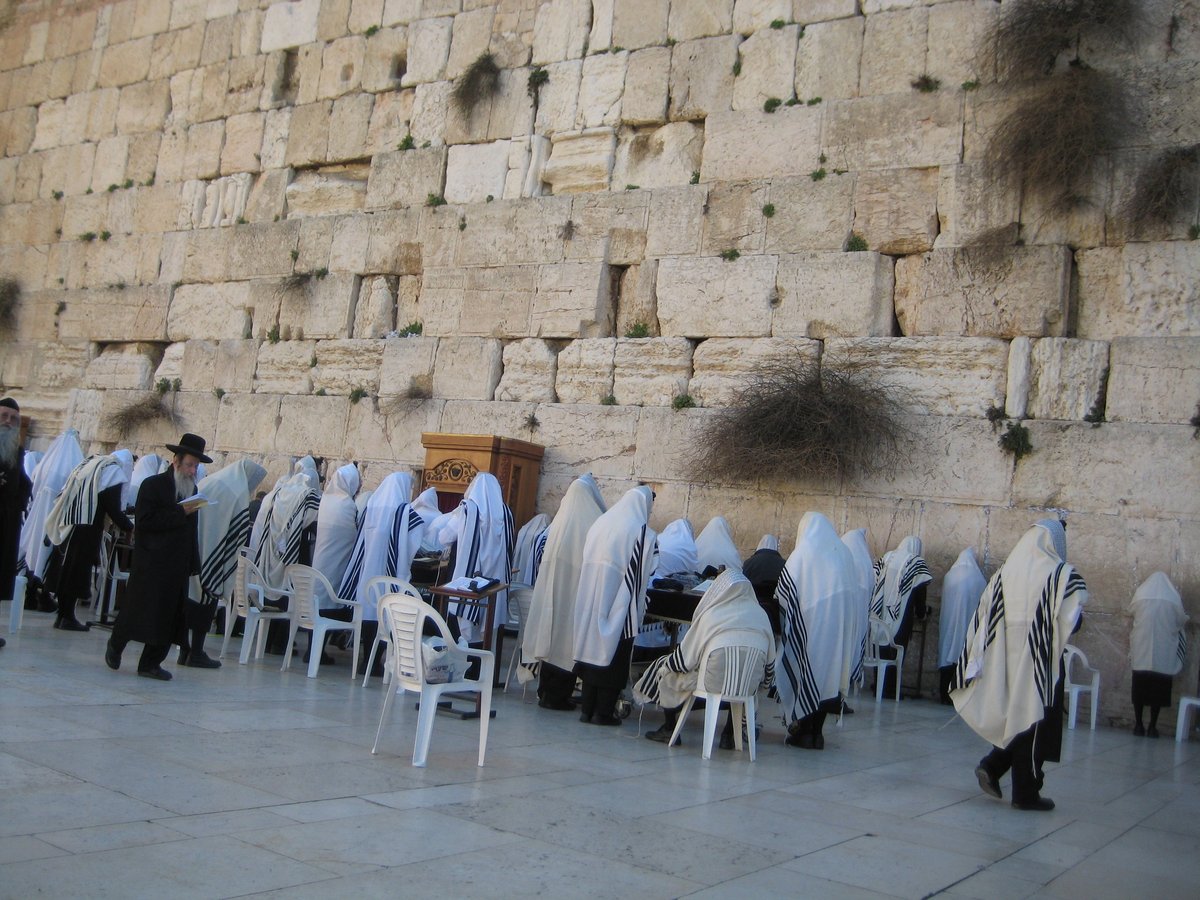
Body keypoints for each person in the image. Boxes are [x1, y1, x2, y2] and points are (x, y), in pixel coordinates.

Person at [952, 519, 1087, 811]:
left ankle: (994, 765)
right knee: (1036, 720)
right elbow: (1073, 619)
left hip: (1005, 662)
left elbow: (984, 616)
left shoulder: (1004, 573)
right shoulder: (1060, 574)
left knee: (1018, 716)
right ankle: (1025, 792)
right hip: (1041, 661)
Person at [105, 434, 213, 681]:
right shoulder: (153, 486)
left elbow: (190, 530)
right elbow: (145, 522)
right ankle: (116, 644)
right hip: (151, 562)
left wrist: (193, 563)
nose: (192, 470)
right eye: (189, 464)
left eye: (196, 466)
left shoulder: (193, 491)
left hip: (177, 565)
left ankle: (150, 663)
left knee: (170, 617)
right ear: (175, 461)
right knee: (138, 610)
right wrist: (179, 511)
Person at [636, 568, 775, 744]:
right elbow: (770, 664)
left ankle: (670, 728)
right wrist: (763, 683)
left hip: (710, 684)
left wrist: (667, 664)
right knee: (740, 678)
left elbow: (685, 660)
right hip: (746, 688)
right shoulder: (762, 615)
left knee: (666, 668)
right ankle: (729, 735)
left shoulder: (712, 615)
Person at [573, 485, 658, 726]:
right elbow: (647, 570)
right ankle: (604, 712)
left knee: (591, 649)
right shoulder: (642, 532)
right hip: (620, 601)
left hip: (590, 596)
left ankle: (586, 709)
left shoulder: (600, 523)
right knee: (615, 653)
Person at [522, 474, 606, 710]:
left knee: (550, 639)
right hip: (574, 595)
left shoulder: (559, 522)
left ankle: (546, 693)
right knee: (566, 642)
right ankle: (558, 696)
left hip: (552, 594)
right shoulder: (594, 522)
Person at [776, 512, 859, 749]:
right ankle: (817, 734)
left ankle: (803, 732)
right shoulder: (844, 553)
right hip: (840, 630)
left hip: (812, 626)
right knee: (828, 677)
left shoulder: (804, 553)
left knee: (808, 672)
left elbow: (784, 591)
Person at [337, 471, 425, 676]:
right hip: (392, 573)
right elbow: (414, 542)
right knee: (388, 614)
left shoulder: (372, 506)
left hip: (368, 572)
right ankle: (378, 661)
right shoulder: (404, 511)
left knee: (369, 611)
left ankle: (367, 660)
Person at [186, 458, 268, 668]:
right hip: (214, 552)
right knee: (207, 598)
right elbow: (237, 531)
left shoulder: (211, 481)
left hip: (195, 547)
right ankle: (195, 651)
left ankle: (186, 650)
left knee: (191, 600)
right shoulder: (237, 494)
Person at [43, 453, 134, 630]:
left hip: (70, 524)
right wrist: (129, 527)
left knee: (66, 569)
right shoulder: (112, 471)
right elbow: (113, 508)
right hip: (87, 528)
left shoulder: (88, 465)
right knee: (76, 571)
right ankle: (67, 617)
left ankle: (62, 616)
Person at [433, 472, 514, 642]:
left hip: (467, 579)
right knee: (486, 625)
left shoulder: (468, 510)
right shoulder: (506, 513)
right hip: (495, 583)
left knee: (461, 626)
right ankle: (481, 664)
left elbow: (444, 538)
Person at [19, 429, 83, 611]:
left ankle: (31, 593)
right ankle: (43, 595)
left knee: (34, 552)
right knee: (46, 555)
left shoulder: (45, 464)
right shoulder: (72, 465)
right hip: (55, 517)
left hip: (38, 514)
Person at [870, 535, 932, 699]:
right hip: (901, 617)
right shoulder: (916, 563)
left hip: (879, 615)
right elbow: (920, 591)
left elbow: (874, 579)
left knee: (881, 648)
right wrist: (922, 612)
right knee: (897, 650)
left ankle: (878, 685)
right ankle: (890, 689)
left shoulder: (887, 557)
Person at [1129, 572, 1188, 738]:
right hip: (1163, 652)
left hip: (1142, 649)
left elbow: (1132, 610)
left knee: (1139, 689)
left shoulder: (1141, 595)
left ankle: (1138, 724)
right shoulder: (1172, 598)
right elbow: (1180, 619)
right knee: (1159, 690)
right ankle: (1152, 727)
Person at [0, 397, 31, 648]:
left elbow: (24, 483)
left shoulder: (16, 452)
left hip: (6, 523)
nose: (8, 422)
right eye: (4, 416)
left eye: (13, 418)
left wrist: (18, 505)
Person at [938, 548, 987, 704]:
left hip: (949, 624)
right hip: (967, 627)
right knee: (963, 655)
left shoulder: (949, 576)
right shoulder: (978, 579)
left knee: (947, 653)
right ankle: (959, 697)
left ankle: (943, 694)